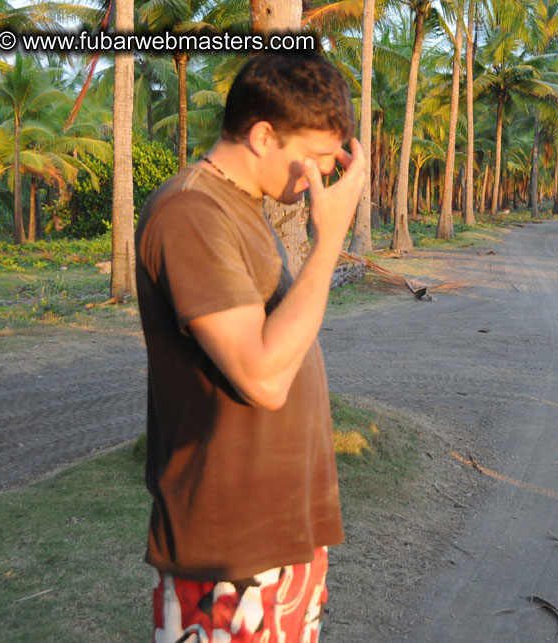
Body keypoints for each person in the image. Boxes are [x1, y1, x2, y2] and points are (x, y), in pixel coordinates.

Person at [134, 50, 365, 642]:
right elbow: (263, 378)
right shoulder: (190, 211)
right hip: (229, 551)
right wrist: (329, 241)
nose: (323, 175)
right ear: (263, 136)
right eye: (317, 157)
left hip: (277, 535)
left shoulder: (245, 205)